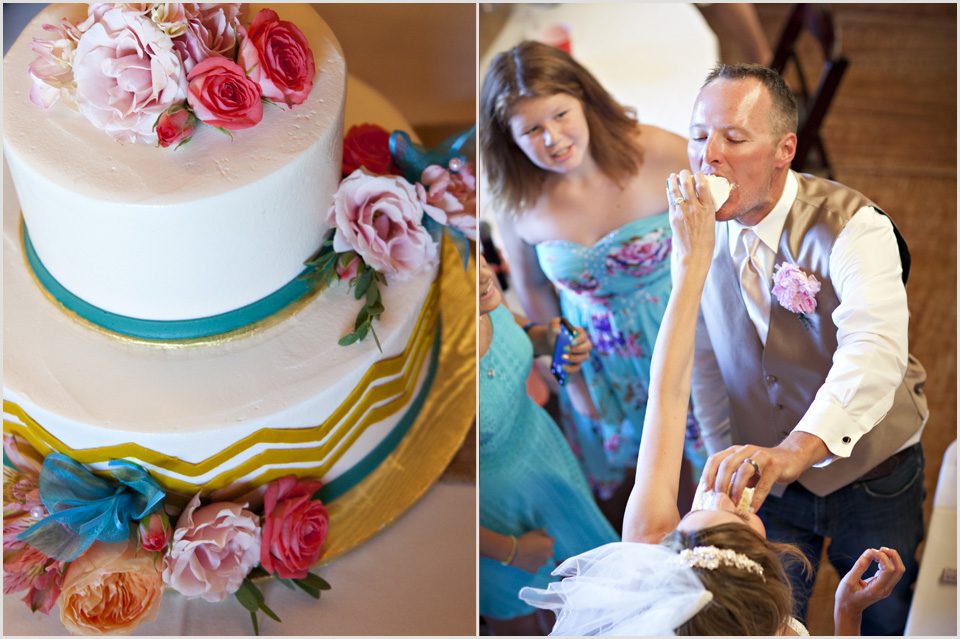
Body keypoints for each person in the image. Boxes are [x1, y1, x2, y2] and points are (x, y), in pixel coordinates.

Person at [519, 168, 905, 636]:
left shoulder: (649, 550)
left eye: (703, 515)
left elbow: (667, 393)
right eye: (744, 515)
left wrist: (689, 267)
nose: (726, 493)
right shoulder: (769, 624)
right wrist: (846, 615)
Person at [686, 63, 929, 635]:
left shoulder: (854, 228)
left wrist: (796, 450)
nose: (709, 157)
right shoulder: (694, 226)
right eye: (698, 136)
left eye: (734, 138)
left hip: (874, 471)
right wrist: (724, 462)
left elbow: (874, 347)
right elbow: (705, 361)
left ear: (784, 150)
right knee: (769, 611)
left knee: (885, 609)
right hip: (767, 481)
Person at [480, 40, 707, 526]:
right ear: (509, 138)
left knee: (702, 471)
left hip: (686, 328)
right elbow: (534, 291)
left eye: (561, 114)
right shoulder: (517, 199)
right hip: (598, 358)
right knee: (627, 480)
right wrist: (570, 379)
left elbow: (727, 221)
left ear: (583, 98)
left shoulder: (658, 151)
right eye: (531, 130)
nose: (553, 139)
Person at [479, 255, 619, 636]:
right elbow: (439, 501)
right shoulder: (438, 372)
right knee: (522, 619)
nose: (483, 273)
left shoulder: (486, 300)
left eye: (478, 258)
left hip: (545, 456)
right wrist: (509, 550)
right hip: (492, 517)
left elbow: (516, 328)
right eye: (464, 270)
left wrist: (547, 339)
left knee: (596, 587)